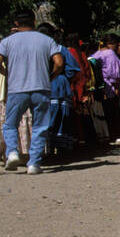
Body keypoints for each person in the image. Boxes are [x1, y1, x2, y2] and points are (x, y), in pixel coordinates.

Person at [0, 11, 64, 174]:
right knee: (40, 126)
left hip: (17, 89)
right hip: (41, 88)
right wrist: (50, 76)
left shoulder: (7, 41)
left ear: (16, 24)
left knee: (10, 124)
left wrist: (7, 74)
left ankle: (12, 152)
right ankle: (34, 164)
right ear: (34, 21)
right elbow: (59, 63)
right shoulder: (47, 40)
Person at [41, 25, 81, 159]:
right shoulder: (60, 49)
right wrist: (63, 77)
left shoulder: (36, 49)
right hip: (59, 84)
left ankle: (46, 147)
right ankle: (60, 146)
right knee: (61, 116)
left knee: (45, 117)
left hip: (40, 85)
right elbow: (73, 68)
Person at [91, 34, 120, 144]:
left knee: (102, 112)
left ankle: (103, 135)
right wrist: (117, 88)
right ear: (112, 44)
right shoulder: (110, 54)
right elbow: (117, 72)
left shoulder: (96, 54)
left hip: (98, 86)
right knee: (112, 112)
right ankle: (113, 135)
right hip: (110, 86)